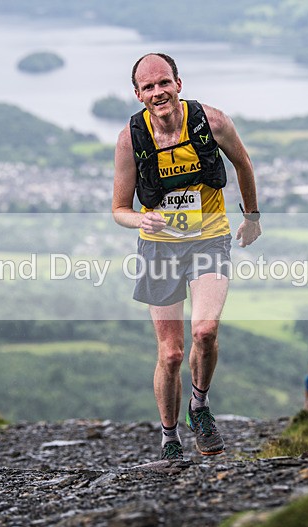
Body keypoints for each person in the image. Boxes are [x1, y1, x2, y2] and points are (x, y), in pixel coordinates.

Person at [112, 53, 261, 460]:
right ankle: (169, 438)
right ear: (138, 94)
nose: (158, 92)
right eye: (148, 87)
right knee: (171, 352)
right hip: (159, 248)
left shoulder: (211, 123)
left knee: (205, 331)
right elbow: (119, 209)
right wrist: (142, 221)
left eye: (164, 82)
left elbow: (243, 164)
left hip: (209, 238)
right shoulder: (130, 139)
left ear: (178, 83)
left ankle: (200, 405)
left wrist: (252, 217)